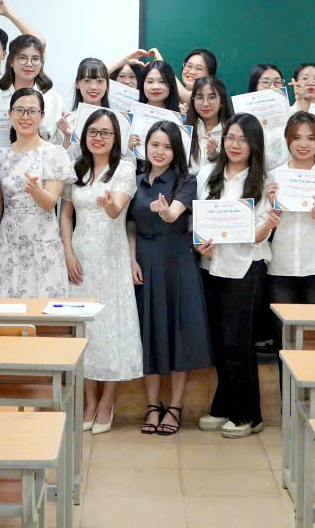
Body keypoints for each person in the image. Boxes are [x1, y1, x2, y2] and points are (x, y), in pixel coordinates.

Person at [196, 113, 281, 439]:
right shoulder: (208, 174)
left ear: (254, 144)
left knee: (238, 343)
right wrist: (199, 244)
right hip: (212, 266)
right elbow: (199, 220)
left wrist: (268, 224)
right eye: (230, 137)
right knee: (219, 342)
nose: (235, 144)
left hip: (246, 268)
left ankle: (248, 415)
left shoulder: (264, 181)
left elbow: (259, 234)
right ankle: (224, 405)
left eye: (243, 139)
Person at [60, 109, 142, 433]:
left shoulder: (125, 168)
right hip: (79, 257)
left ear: (115, 138)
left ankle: (108, 402)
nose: (98, 137)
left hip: (111, 257)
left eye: (105, 133)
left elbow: (117, 208)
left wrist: (109, 206)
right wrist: (68, 252)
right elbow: (66, 215)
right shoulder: (76, 167)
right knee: (85, 330)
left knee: (111, 328)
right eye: (93, 131)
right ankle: (89, 401)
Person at [128, 121, 211, 436]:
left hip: (177, 261)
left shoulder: (185, 180)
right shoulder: (134, 179)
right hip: (144, 261)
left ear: (176, 150)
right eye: (154, 144)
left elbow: (174, 214)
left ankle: (174, 407)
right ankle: (152, 406)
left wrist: (163, 211)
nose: (159, 151)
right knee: (148, 332)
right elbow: (130, 224)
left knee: (178, 334)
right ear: (145, 146)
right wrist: (131, 259)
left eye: (167, 146)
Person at [0, 88, 72, 298]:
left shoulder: (54, 153)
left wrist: (36, 191)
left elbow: (50, 202)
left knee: (46, 310)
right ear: (10, 114)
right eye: (19, 110)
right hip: (9, 245)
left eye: (32, 111)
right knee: (10, 313)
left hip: (43, 246)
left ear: (42, 116)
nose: (25, 117)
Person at [264, 112, 315, 306]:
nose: (303, 144)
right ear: (287, 140)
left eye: (311, 138)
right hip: (281, 265)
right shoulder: (274, 176)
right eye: (296, 137)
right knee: (282, 325)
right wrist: (274, 205)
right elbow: (267, 224)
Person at [0, 35, 64, 141]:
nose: (29, 64)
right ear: (11, 61)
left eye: (35, 59)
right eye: (22, 58)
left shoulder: (53, 99)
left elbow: (58, 142)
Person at [186, 76, 232, 175]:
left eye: (212, 97)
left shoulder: (232, 130)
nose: (205, 104)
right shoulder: (184, 128)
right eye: (199, 97)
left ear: (222, 101)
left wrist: (215, 156)